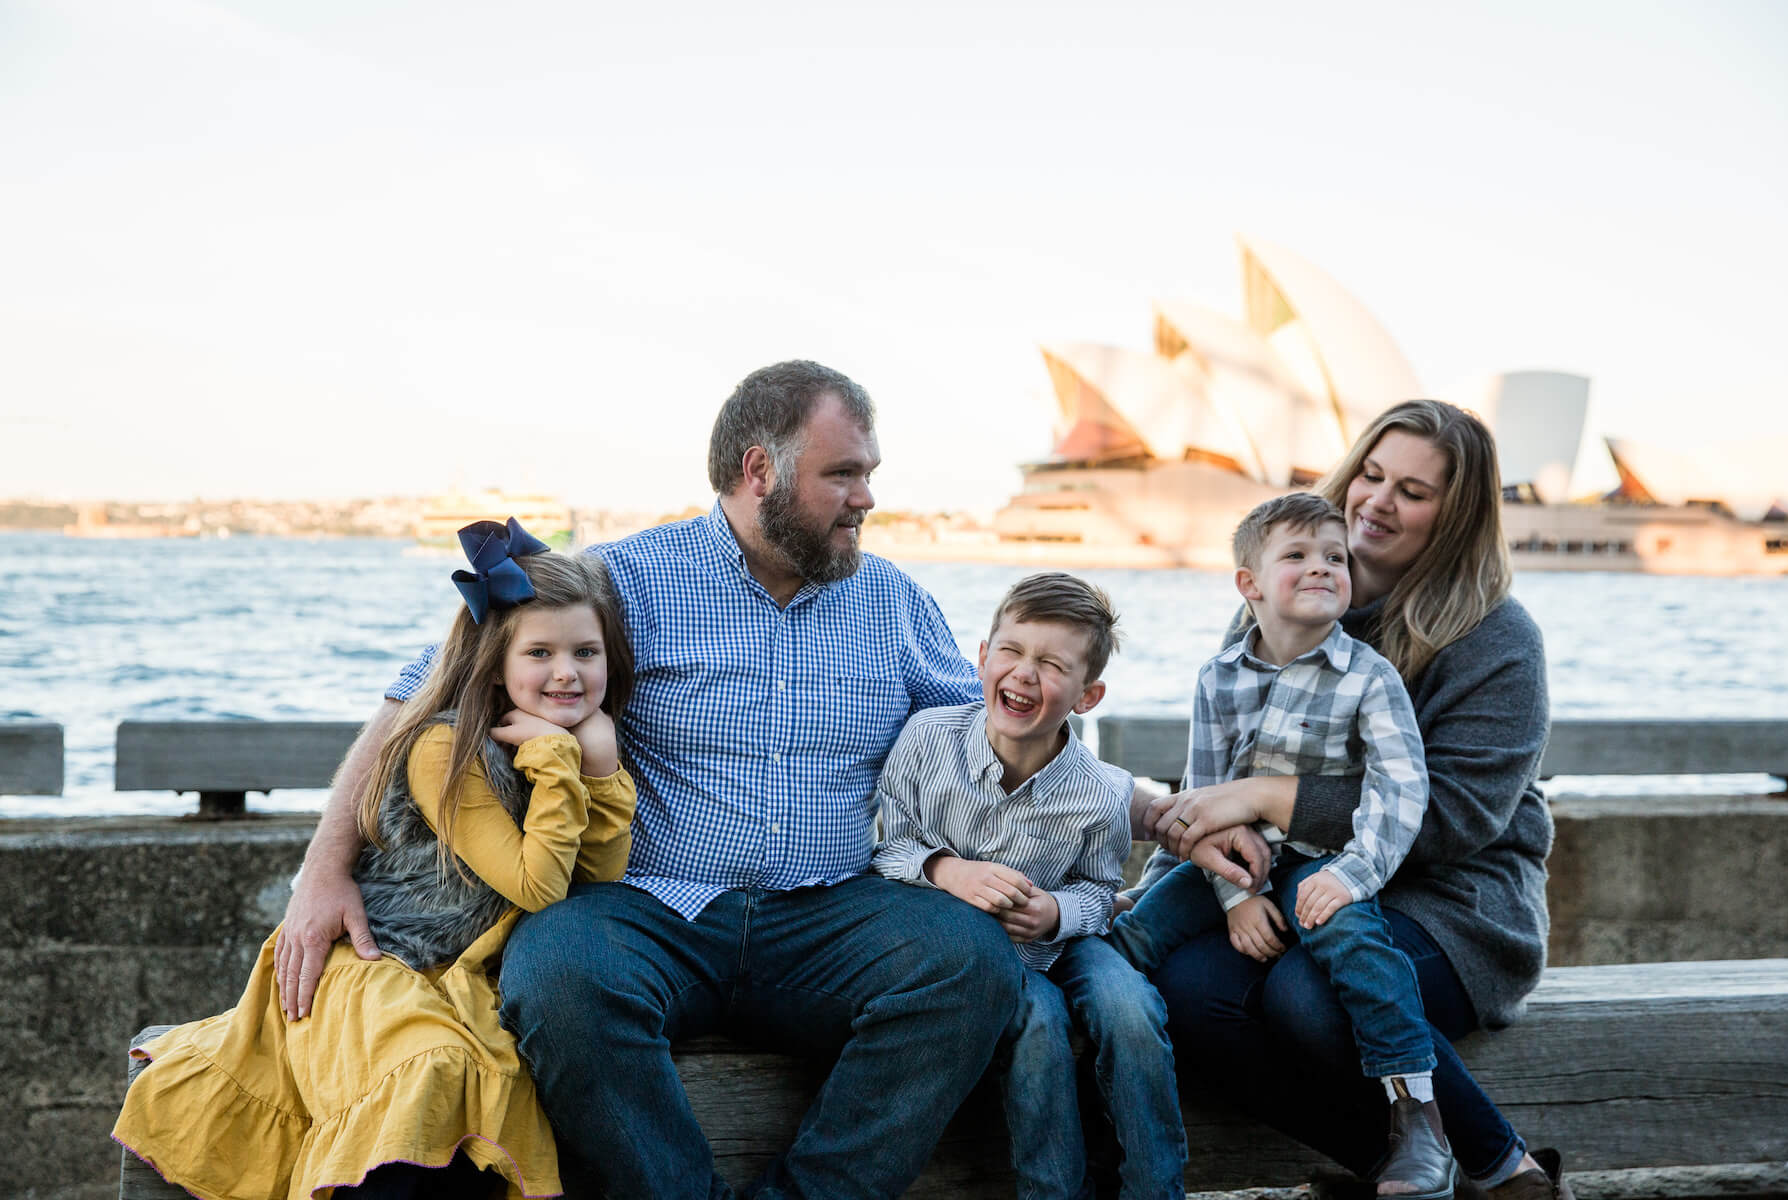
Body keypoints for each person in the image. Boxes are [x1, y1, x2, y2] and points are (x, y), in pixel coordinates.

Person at [273, 361, 1268, 1200]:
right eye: (846, 474)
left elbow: (1019, 727)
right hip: (652, 907)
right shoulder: (625, 578)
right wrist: (326, 872)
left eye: (869, 474)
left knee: (967, 962)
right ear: (761, 471)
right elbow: (423, 695)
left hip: (838, 912)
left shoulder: (889, 601)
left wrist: (1169, 820)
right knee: (557, 976)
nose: (867, 498)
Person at [113, 522, 638, 1199]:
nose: (566, 672)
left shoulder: (556, 746)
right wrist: (563, 759)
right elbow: (540, 887)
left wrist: (600, 765)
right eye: (540, 651)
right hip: (380, 960)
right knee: (431, 1070)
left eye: (585, 652)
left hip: (463, 973)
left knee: (497, 1079)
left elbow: (594, 885)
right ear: (496, 662)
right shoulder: (446, 750)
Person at [1130, 400, 1571, 1200]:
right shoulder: (1283, 594)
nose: (1377, 501)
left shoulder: (1498, 638)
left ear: (1455, 516)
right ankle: (1392, 1171)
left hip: (1451, 898)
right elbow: (1214, 770)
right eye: (1370, 474)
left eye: (1413, 491)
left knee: (1312, 993)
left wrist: (1269, 794)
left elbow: (1455, 817)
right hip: (1287, 877)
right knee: (1188, 993)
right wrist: (1207, 867)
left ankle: (1512, 1177)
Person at [1106, 492, 1454, 1197]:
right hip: (1234, 864)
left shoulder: (1369, 678)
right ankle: (1087, 1051)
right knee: (1137, 933)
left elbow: (1401, 791)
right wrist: (1236, 898)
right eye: (1296, 555)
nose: (1321, 567)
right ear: (1250, 584)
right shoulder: (1219, 676)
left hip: (1325, 861)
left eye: (1334, 556)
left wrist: (1354, 877)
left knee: (1355, 942)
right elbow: (1204, 799)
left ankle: (1418, 1118)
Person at [873, 572, 1185, 1200]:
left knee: (1129, 1006)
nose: (1022, 673)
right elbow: (883, 850)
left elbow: (1101, 894)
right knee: (1038, 1023)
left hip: (1058, 940)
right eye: (1011, 652)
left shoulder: (1101, 791)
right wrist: (944, 869)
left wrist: (1055, 913)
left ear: (1087, 695)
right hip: (970, 952)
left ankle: (1155, 1187)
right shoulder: (927, 738)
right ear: (982, 657)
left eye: (1050, 664)